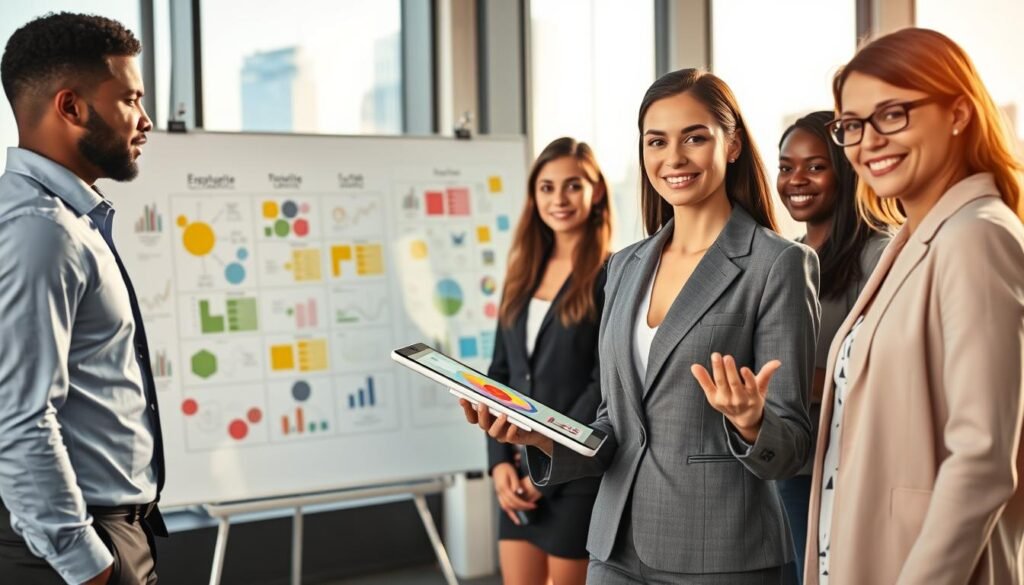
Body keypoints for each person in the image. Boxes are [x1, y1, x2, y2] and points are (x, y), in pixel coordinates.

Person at [464, 68, 820, 583]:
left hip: (719, 550)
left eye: (694, 137)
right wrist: (539, 438)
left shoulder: (777, 263)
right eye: (657, 141)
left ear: (733, 143)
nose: (673, 158)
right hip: (614, 543)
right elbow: (615, 426)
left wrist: (750, 422)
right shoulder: (626, 266)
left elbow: (789, 449)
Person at [805, 27, 1024, 585]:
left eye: (893, 113)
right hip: (858, 554)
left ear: (957, 113)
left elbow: (981, 460)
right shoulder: (912, 239)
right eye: (852, 125)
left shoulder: (977, 236)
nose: (868, 140)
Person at [0, 13, 165, 585]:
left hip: (108, 531)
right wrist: (84, 564)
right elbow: (18, 413)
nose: (145, 121)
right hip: (74, 548)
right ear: (71, 108)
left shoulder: (69, 221)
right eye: (130, 99)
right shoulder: (40, 230)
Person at [485, 136, 612, 585]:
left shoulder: (611, 274)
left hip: (572, 475)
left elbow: (603, 383)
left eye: (573, 185)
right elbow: (499, 373)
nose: (559, 199)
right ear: (533, 194)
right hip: (517, 472)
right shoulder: (521, 272)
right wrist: (500, 460)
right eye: (546, 187)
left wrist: (543, 445)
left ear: (596, 191)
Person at [774, 110, 890, 582]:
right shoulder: (785, 257)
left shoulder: (880, 256)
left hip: (843, 474)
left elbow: (883, 372)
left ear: (845, 171)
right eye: (785, 167)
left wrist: (792, 382)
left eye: (815, 166)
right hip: (782, 464)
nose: (796, 179)